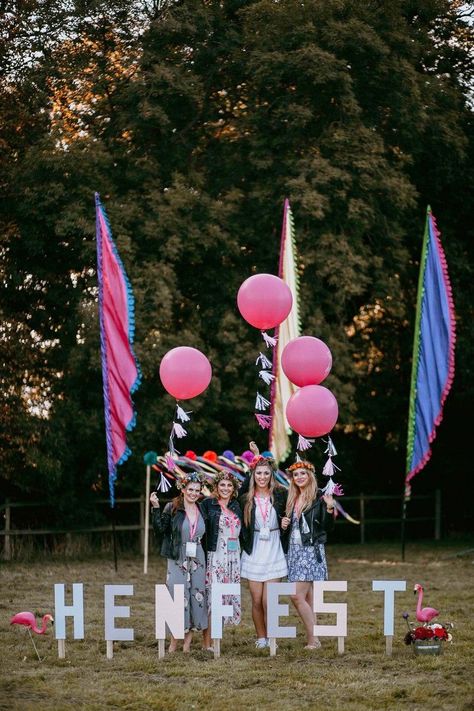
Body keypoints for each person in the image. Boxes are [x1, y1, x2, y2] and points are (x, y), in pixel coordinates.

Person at [150, 472, 208, 653]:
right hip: (177, 556)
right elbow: (160, 530)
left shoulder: (202, 508)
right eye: (190, 489)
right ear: (183, 489)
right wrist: (155, 507)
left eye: (197, 490)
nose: (193, 493)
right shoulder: (172, 507)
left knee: (195, 597)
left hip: (197, 557)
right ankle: (173, 643)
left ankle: (187, 645)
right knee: (177, 597)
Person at [281, 460, 335, 650]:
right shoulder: (293, 498)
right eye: (296, 475)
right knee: (308, 598)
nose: (299, 477)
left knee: (296, 596)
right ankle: (314, 637)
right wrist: (284, 526)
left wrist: (329, 509)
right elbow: (294, 527)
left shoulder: (319, 497)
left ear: (310, 476)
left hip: (310, 552)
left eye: (303, 474)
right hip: (295, 552)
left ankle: (314, 639)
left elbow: (328, 528)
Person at [240, 450, 288, 648]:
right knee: (257, 599)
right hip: (255, 548)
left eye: (266, 473)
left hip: (275, 546)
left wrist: (286, 524)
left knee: (270, 599)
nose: (262, 477)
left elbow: (291, 514)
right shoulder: (245, 498)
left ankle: (274, 637)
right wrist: (256, 458)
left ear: (271, 475)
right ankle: (261, 637)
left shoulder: (281, 495)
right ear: (253, 475)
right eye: (258, 473)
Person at [201, 469, 242, 650]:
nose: (226, 488)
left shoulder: (236, 506)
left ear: (234, 488)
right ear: (216, 486)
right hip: (216, 555)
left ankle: (216, 640)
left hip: (233, 558)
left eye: (229, 485)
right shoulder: (208, 504)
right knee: (213, 598)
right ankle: (206, 643)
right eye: (222, 485)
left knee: (225, 597)